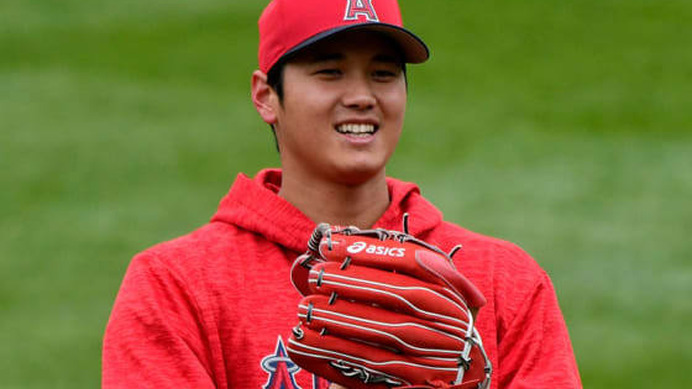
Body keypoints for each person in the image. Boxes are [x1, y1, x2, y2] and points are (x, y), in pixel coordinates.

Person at [102, 0, 582, 388]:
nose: (361, 96)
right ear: (266, 96)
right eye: (329, 71)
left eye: (383, 73)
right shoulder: (177, 285)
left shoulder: (501, 281)